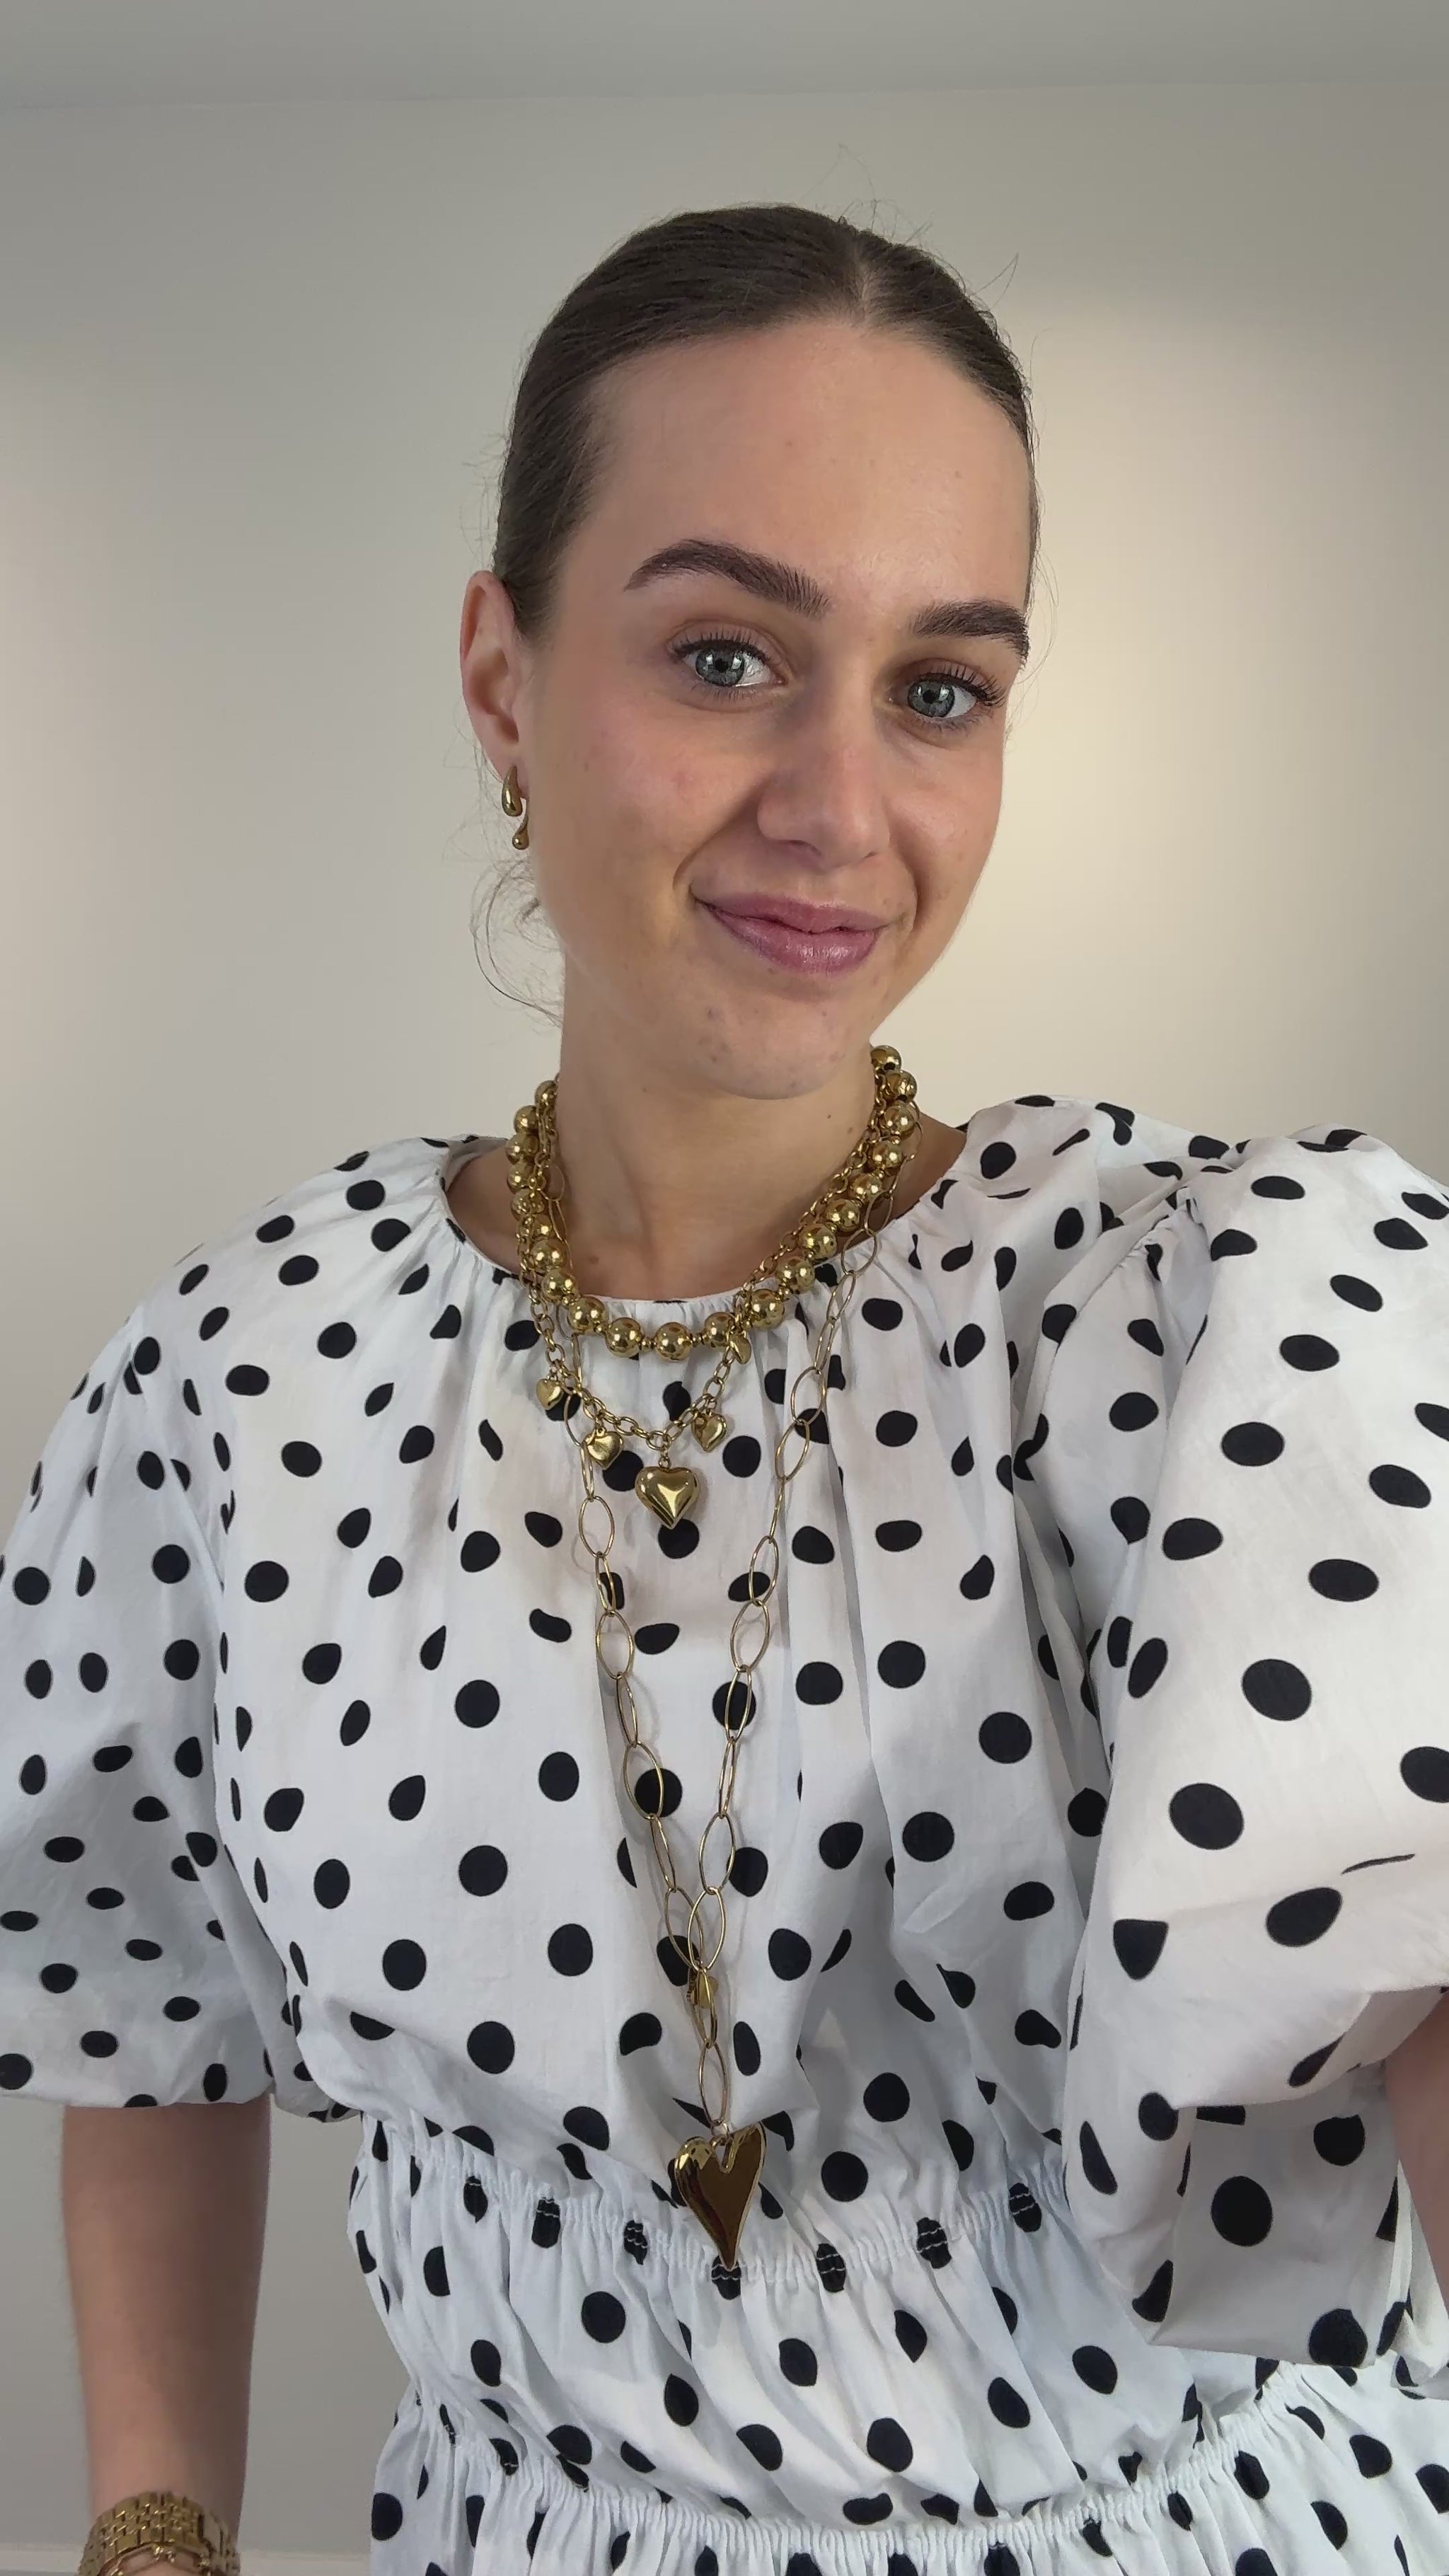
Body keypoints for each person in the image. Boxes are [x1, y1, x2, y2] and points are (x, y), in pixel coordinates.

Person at [4, 202, 1449, 2576]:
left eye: (941, 688)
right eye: (723, 655)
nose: (839, 808)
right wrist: (154, 2537)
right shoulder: (242, 1381)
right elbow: (149, 2003)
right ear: (501, 679)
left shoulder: (1214, 1326)